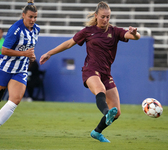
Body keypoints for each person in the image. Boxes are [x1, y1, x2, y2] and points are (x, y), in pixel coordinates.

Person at [39, 1, 140, 143]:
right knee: (100, 90)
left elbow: (134, 37)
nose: (105, 20)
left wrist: (135, 33)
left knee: (117, 112)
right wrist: (49, 53)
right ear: (96, 16)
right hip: (90, 70)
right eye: (103, 17)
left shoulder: (114, 31)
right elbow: (69, 43)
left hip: (106, 73)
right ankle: (106, 113)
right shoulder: (88, 31)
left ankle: (97, 132)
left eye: (108, 17)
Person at [0, 0, 40, 137]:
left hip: (21, 69)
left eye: (35, 17)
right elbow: (4, 50)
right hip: (4, 68)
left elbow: (29, 49)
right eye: (30, 17)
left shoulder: (36, 30)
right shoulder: (15, 29)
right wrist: (24, 53)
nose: (33, 20)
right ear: (23, 15)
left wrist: (31, 56)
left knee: (15, 100)